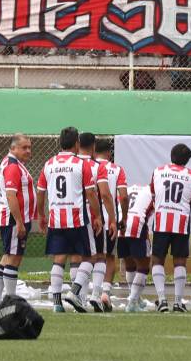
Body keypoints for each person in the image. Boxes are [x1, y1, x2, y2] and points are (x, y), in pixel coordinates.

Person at [37, 126, 102, 313]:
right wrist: (97, 216)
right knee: (91, 256)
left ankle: (57, 304)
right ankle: (74, 292)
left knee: (59, 258)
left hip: (56, 218)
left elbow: (40, 192)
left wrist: (41, 215)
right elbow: (91, 193)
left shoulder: (49, 164)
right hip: (77, 218)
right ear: (76, 143)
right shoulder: (81, 164)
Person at [148, 143, 191, 313]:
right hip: (181, 222)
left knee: (157, 259)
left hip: (161, 220)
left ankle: (162, 300)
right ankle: (178, 302)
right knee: (180, 261)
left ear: (171, 155)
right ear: (187, 160)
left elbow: (153, 194)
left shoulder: (158, 171)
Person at [90, 139, 127, 311]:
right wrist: (123, 217)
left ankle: (89, 293)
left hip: (91, 219)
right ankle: (104, 293)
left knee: (91, 257)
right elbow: (123, 197)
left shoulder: (88, 166)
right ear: (109, 153)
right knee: (110, 257)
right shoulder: (117, 169)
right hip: (109, 219)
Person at [121, 180, 154, 312]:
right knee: (144, 266)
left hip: (122, 226)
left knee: (129, 264)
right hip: (136, 226)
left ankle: (135, 297)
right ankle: (133, 302)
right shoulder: (151, 192)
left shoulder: (129, 189)